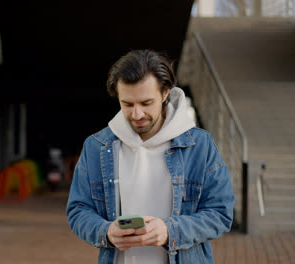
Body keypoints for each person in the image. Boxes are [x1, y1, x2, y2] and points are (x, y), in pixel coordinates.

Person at [66, 49, 234, 264]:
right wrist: (106, 231)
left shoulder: (199, 145)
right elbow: (78, 210)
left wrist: (169, 231)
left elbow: (220, 213)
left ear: (165, 93)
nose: (137, 115)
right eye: (127, 104)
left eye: (146, 103)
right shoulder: (96, 147)